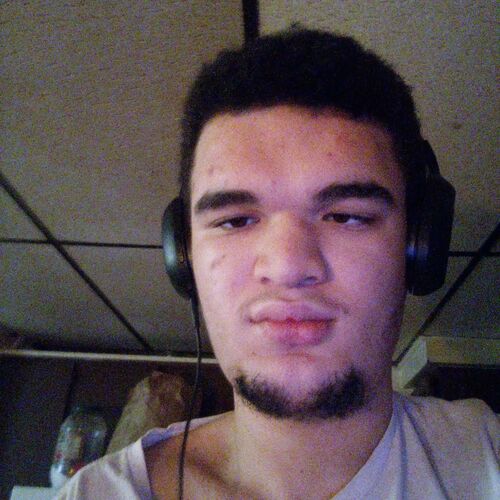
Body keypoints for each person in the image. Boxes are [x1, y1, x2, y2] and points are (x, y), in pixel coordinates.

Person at [56, 28, 499, 499]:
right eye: (235, 220)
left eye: (346, 216)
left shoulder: (486, 456)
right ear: (184, 257)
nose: (287, 266)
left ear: (418, 247)